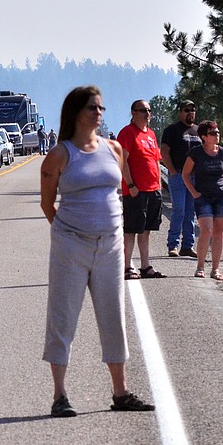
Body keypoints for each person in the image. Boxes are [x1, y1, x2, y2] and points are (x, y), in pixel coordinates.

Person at [39, 86, 155, 416]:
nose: (98, 113)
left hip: (110, 246)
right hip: (71, 246)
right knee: (62, 318)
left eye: (101, 108)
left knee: (113, 317)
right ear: (76, 112)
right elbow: (48, 203)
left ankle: (121, 392)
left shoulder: (114, 149)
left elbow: (118, 192)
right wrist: (68, 233)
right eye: (92, 107)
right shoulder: (60, 154)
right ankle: (60, 395)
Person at [117, 100, 165, 280]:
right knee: (131, 230)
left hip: (153, 189)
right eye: (143, 110)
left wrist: (159, 185)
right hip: (136, 190)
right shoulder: (127, 133)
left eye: (149, 110)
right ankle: (127, 266)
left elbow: (156, 161)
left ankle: (145, 266)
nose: (147, 114)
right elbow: (122, 160)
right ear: (133, 113)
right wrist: (130, 185)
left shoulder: (151, 134)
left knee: (146, 230)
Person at [182, 120, 223, 281]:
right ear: (204, 137)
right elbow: (185, 175)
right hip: (203, 196)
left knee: (219, 232)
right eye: (213, 133)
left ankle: (216, 269)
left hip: (221, 197)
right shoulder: (196, 153)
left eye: (217, 132)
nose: (217, 135)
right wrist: (194, 193)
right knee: (206, 230)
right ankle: (200, 266)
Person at [160, 100, 200, 257]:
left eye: (192, 109)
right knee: (179, 210)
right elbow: (164, 151)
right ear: (180, 112)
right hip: (177, 175)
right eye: (186, 110)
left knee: (190, 212)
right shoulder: (172, 130)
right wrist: (172, 171)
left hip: (194, 177)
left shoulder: (198, 130)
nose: (190, 112)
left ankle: (188, 246)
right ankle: (173, 244)